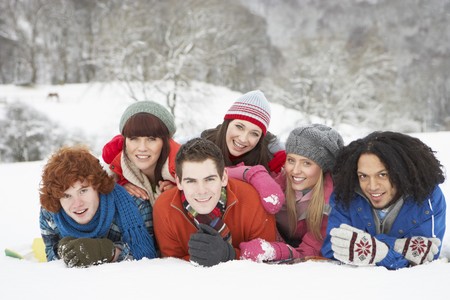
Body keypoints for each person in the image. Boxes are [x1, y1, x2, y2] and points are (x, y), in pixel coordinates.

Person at [321, 131, 446, 270]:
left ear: (401, 171)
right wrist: (396, 246)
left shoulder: (426, 198)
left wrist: (381, 252)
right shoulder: (346, 194)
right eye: (363, 176)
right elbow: (332, 248)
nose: (372, 186)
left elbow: (426, 259)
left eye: (382, 174)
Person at [152, 138, 278, 267]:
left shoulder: (252, 200)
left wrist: (230, 255)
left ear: (223, 178)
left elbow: (268, 261)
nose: (201, 191)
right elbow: (173, 265)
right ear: (178, 182)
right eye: (191, 181)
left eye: (209, 179)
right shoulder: (164, 208)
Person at [239, 124, 344, 262]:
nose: (295, 170)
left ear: (323, 169)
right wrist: (255, 175)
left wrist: (274, 251)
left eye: (306, 163)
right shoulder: (280, 179)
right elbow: (228, 174)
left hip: (295, 253)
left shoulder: (330, 205)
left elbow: (310, 252)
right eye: (291, 160)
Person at [39, 146, 157, 268]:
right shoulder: (50, 214)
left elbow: (148, 261)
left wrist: (110, 252)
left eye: (83, 190)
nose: (77, 203)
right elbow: (50, 256)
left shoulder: (135, 206)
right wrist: (61, 252)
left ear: (97, 187)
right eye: (66, 196)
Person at [202, 90, 286, 213]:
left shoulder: (272, 159)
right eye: (239, 127)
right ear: (227, 123)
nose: (243, 139)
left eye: (254, 133)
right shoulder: (202, 146)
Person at [102, 101, 180, 205]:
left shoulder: (184, 170)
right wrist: (119, 186)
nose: (142, 148)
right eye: (134, 139)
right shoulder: (113, 172)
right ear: (125, 141)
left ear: (165, 141)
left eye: (151, 139)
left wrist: (183, 192)